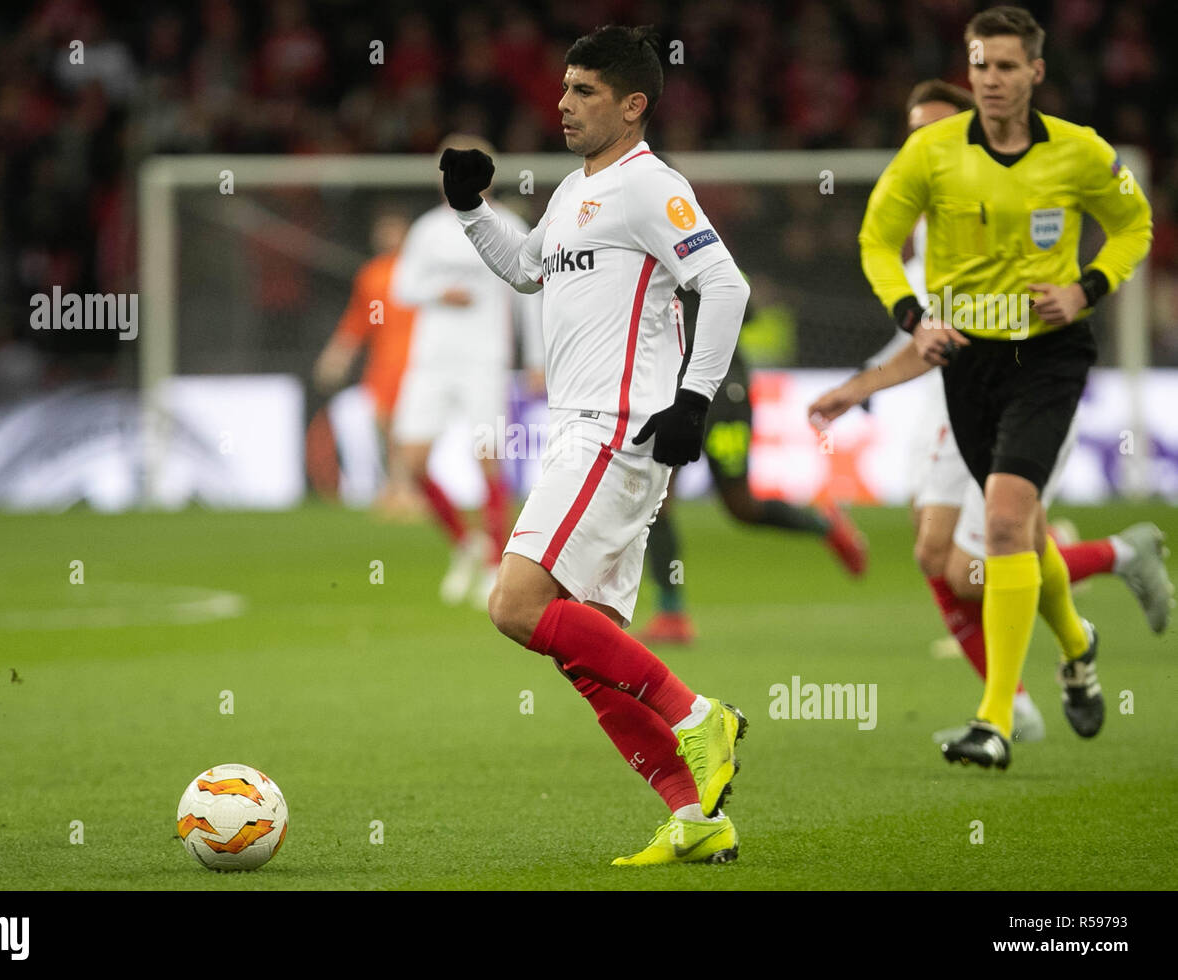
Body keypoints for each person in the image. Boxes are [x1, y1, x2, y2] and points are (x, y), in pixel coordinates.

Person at [444, 25, 751, 864]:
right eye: (565, 88)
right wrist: (473, 210)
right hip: (584, 428)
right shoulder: (581, 189)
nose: (564, 103)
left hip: (619, 426)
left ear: (633, 104)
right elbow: (528, 269)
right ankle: (697, 819)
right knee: (590, 654)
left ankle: (699, 717)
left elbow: (725, 283)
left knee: (514, 606)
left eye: (584, 91)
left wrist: (696, 399)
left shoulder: (652, 186)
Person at [817, 80, 1171, 745]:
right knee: (948, 553)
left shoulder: (1010, 199)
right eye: (913, 131)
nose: (924, 143)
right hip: (957, 391)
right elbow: (925, 334)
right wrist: (863, 382)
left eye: (937, 129)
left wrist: (1084, 287)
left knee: (985, 552)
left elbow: (1124, 226)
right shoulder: (924, 221)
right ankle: (1048, 658)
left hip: (1030, 384)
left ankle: (1024, 690)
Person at [635, 283, 869, 647]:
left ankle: (824, 524)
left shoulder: (702, 256)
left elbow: (746, 305)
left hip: (721, 394)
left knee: (737, 506)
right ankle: (671, 613)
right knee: (662, 501)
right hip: (682, 393)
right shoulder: (655, 261)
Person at [389, 134, 544, 607]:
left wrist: (537, 358)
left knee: (488, 460)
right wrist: (441, 294)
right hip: (432, 362)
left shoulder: (509, 225)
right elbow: (401, 287)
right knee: (412, 463)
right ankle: (466, 542)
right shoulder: (429, 229)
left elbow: (530, 297)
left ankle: (497, 562)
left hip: (484, 361)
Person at [313, 207, 424, 520]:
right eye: (383, 232)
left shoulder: (419, 270)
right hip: (383, 363)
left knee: (409, 429)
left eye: (394, 231)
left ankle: (409, 490)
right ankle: (396, 486)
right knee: (385, 425)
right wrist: (337, 355)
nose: (388, 238)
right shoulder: (371, 274)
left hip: (417, 361)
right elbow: (357, 321)